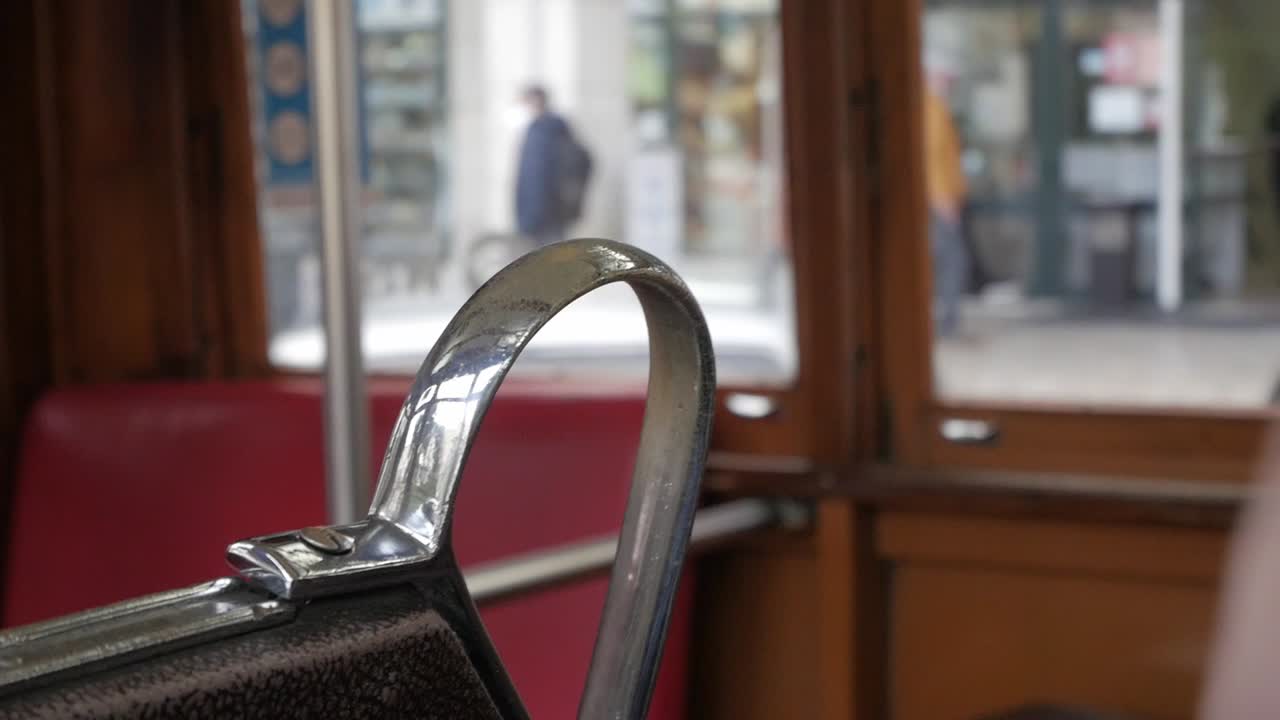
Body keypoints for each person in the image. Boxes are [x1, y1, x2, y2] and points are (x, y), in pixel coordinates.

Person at [513, 85, 592, 246]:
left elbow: (536, 178)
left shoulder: (544, 132)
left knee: (547, 257)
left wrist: (530, 217)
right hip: (548, 212)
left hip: (546, 212)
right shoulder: (543, 130)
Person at [924, 80, 969, 337]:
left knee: (945, 259)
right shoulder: (931, 107)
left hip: (939, 197)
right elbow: (932, 153)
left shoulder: (934, 106)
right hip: (938, 200)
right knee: (950, 259)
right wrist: (942, 197)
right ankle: (944, 321)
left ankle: (943, 319)